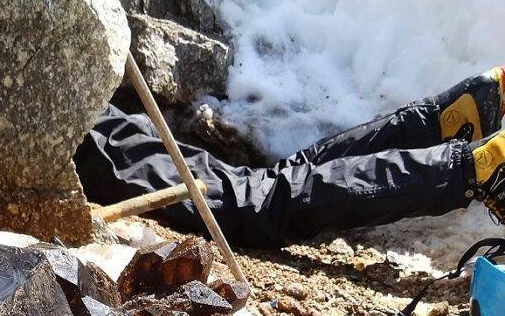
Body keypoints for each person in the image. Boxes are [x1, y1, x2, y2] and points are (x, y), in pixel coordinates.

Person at [74, 68, 505, 248]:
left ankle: (477, 168)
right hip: (88, 117)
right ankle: (446, 123)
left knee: (254, 202)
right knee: (259, 186)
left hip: (74, 138)